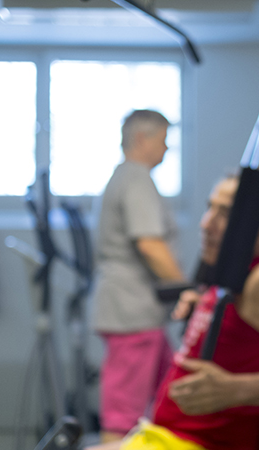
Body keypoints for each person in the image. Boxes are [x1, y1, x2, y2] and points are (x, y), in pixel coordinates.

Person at [88, 176, 259, 450]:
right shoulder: (231, 277)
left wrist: (235, 389)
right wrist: (204, 307)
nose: (206, 224)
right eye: (209, 209)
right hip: (164, 436)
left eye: (225, 214)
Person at [92, 109, 187, 443]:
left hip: (140, 313)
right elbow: (149, 244)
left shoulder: (124, 177)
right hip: (132, 313)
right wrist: (186, 290)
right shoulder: (136, 178)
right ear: (141, 139)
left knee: (171, 398)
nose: (166, 150)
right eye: (163, 141)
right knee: (122, 416)